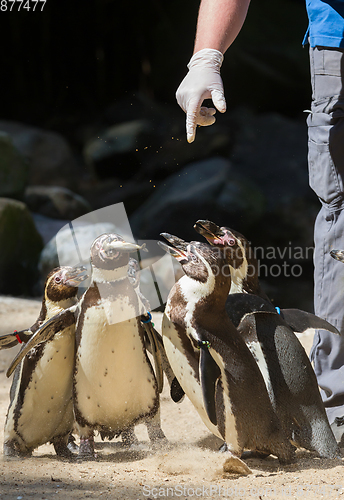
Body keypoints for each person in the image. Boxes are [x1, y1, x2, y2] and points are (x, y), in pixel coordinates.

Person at [176, 0, 344, 444]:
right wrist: (205, 56)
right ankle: (338, 405)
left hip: (334, 47)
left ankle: (333, 407)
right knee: (341, 215)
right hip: (337, 44)